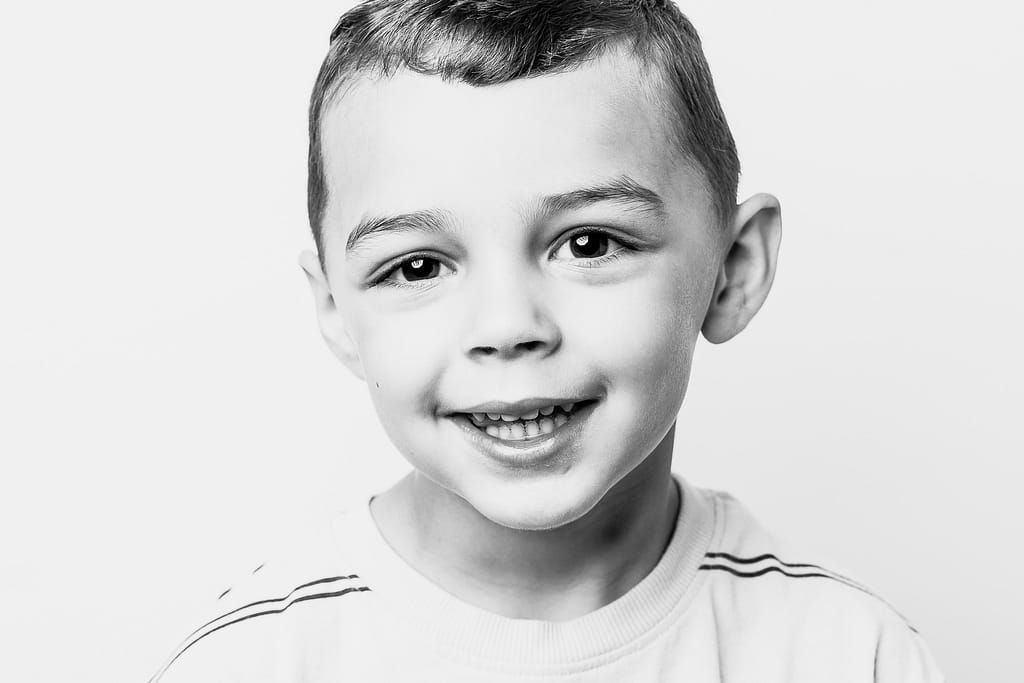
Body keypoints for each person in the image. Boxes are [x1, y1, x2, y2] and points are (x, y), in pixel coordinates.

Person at [151, 1, 944, 680]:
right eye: (417, 265)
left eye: (590, 244)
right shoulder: (255, 661)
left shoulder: (850, 655)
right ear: (335, 311)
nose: (508, 327)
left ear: (732, 271)